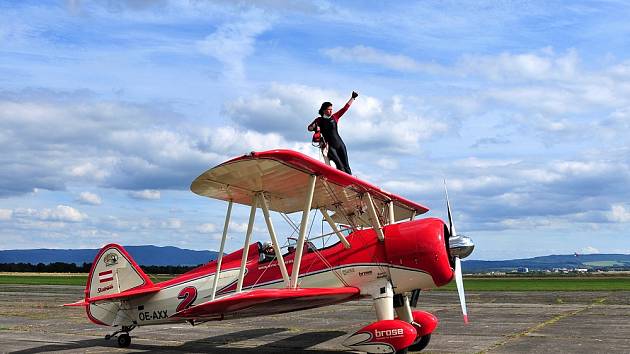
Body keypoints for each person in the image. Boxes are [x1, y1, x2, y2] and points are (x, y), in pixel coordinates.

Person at [308, 91, 358, 175]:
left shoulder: (335, 117)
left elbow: (344, 109)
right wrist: (314, 127)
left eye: (331, 109)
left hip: (340, 144)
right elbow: (309, 128)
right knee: (340, 166)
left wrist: (352, 98)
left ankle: (351, 185)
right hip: (330, 147)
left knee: (346, 166)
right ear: (324, 110)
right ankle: (340, 183)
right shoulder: (319, 120)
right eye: (329, 109)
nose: (331, 111)